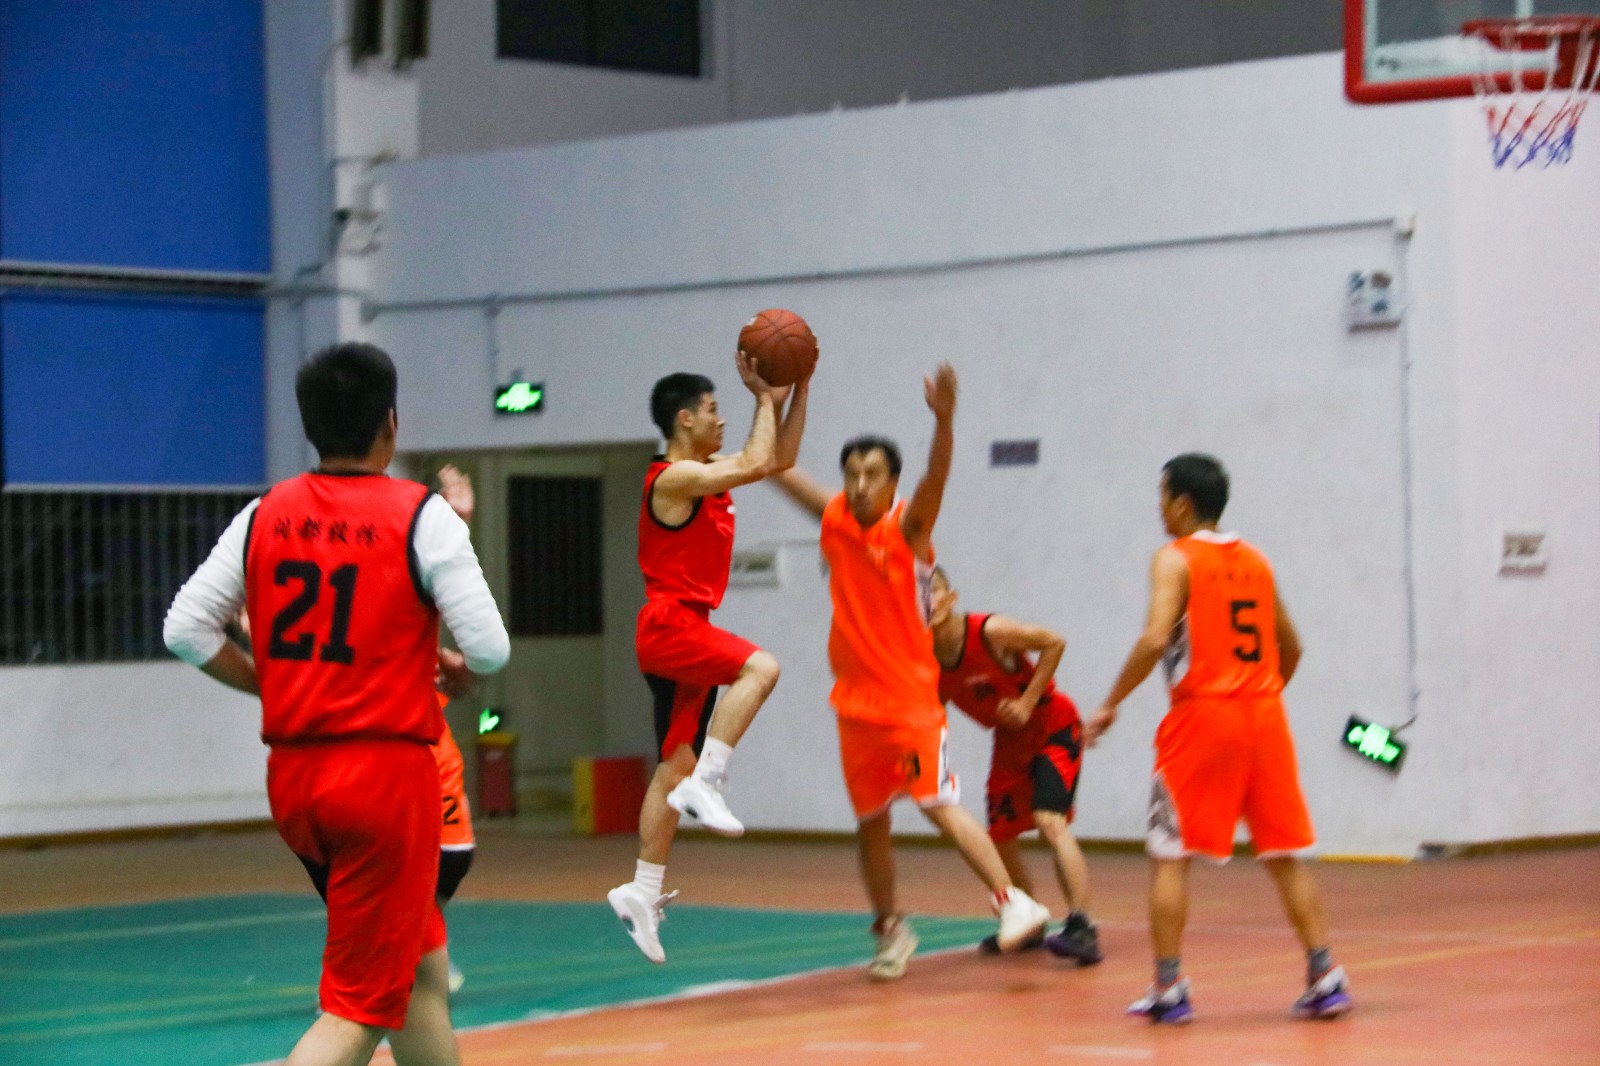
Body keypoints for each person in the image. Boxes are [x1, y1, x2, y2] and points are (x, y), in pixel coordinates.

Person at [164, 343, 510, 1066]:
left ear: (310, 426)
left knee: (418, 977)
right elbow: (489, 649)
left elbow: (185, 630)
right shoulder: (421, 515)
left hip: (295, 780)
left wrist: (270, 683)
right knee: (358, 1009)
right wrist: (457, 667)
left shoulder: (264, 514)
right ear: (391, 422)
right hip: (382, 781)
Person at [773, 363, 1050, 981]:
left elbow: (936, 476)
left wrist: (944, 421)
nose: (859, 484)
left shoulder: (908, 527)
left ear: (892, 481)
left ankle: (1014, 901)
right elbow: (778, 467)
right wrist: (786, 398)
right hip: (855, 706)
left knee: (937, 803)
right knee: (871, 824)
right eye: (851, 473)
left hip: (910, 703)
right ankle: (891, 929)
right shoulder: (836, 519)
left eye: (872, 474)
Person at [1084, 453, 1352, 1025]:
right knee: (1284, 855)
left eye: (1162, 495)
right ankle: (1325, 976)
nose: (1158, 507)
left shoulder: (1175, 557)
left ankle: (1168, 987)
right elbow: (1292, 648)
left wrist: (1109, 703)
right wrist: (1256, 694)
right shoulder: (1256, 559)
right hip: (1266, 716)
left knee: (1170, 856)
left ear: (1182, 504)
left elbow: (1155, 639)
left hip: (1203, 716)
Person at [607, 348, 811, 964]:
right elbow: (753, 460)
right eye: (714, 408)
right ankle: (710, 782)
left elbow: (776, 460)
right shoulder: (673, 479)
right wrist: (763, 398)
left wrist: (799, 391)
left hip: (686, 626)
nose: (721, 419)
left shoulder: (708, 473)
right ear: (684, 418)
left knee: (673, 766)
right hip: (669, 622)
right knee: (762, 667)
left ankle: (641, 892)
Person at [927, 568, 1101, 963]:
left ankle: (1082, 926)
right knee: (1001, 836)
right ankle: (1029, 922)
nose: (924, 601)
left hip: (1051, 723)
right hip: (1008, 741)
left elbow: (1054, 642)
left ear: (951, 599)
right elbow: (933, 708)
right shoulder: (929, 660)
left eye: (931, 591)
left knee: (1050, 821)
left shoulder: (990, 632)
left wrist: (1026, 702)